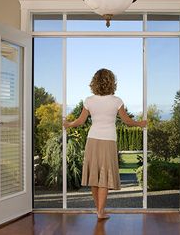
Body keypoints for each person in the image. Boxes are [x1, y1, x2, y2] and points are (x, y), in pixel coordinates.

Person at [63, 68, 147, 220]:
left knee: (95, 176)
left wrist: (68, 124)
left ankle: (99, 210)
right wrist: (141, 124)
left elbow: (80, 121)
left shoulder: (89, 100)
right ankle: (100, 211)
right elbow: (127, 122)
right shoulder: (117, 101)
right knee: (104, 176)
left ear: (94, 82)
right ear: (111, 82)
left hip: (92, 140)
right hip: (108, 141)